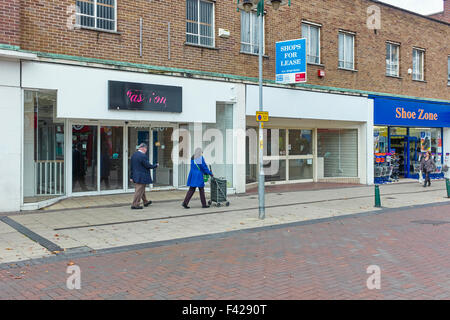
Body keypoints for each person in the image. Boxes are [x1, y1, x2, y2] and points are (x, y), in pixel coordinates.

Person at [130, 143, 158, 209]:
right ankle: (135, 204)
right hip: (141, 176)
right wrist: (155, 165)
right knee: (139, 190)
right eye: (146, 149)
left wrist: (131, 176)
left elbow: (131, 167)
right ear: (142, 148)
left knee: (141, 190)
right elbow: (147, 165)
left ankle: (145, 202)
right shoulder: (142, 156)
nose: (146, 150)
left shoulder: (134, 155)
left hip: (136, 175)